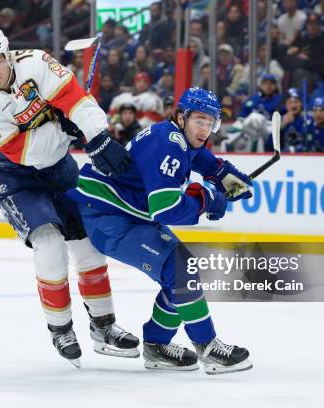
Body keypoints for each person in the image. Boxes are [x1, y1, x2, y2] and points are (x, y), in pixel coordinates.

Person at [0, 25, 137, 367]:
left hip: (60, 168)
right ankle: (60, 328)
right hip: (17, 179)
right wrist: (65, 129)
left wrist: (96, 134)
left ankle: (104, 326)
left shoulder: (36, 63)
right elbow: (32, 153)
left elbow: (75, 98)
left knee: (88, 243)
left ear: (8, 54)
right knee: (49, 243)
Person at [67, 88, 253, 374]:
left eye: (211, 123)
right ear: (181, 117)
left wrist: (229, 177)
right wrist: (207, 199)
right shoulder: (169, 145)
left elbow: (207, 162)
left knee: (180, 271)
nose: (205, 129)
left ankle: (156, 345)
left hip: (126, 213)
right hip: (108, 216)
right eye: (199, 121)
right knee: (181, 268)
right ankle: (208, 347)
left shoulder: (179, 138)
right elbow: (165, 209)